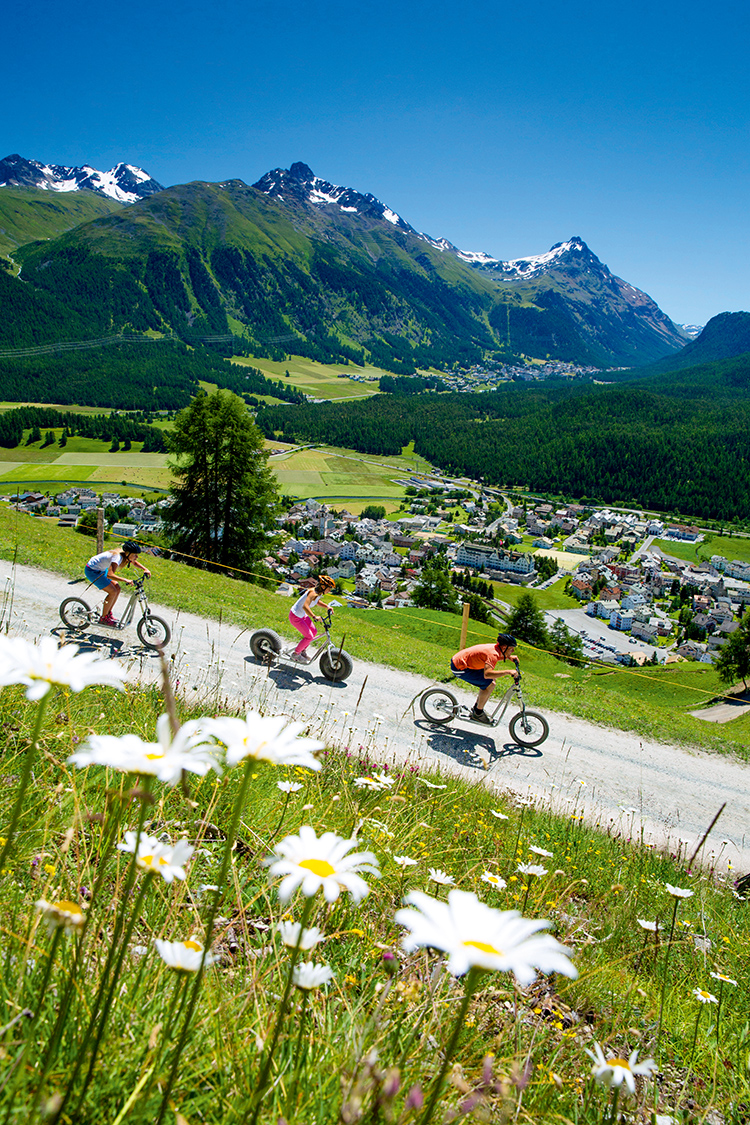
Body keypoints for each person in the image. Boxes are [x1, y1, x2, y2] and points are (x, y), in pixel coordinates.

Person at [449, 633, 519, 724]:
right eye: (511, 649)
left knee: (492, 680)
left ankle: (477, 708)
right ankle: (478, 713)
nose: (513, 651)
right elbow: (487, 674)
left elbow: (494, 657)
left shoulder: (496, 648)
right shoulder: (493, 654)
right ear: (504, 647)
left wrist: (509, 657)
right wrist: (508, 672)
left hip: (463, 663)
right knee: (490, 684)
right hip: (460, 668)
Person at [84, 541, 151, 626]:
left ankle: (107, 614)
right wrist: (125, 580)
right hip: (92, 571)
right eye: (135, 555)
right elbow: (110, 575)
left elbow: (134, 562)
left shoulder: (125, 556)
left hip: (100, 570)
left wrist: (145, 569)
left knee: (117, 588)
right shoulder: (117, 557)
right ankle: (103, 618)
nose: (137, 557)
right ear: (128, 553)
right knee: (112, 591)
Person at [288, 575, 335, 662]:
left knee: (314, 632)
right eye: (329, 588)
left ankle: (302, 651)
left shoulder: (318, 593)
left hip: (302, 615)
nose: (330, 591)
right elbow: (305, 606)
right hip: (295, 616)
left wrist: (327, 606)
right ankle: (295, 654)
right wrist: (314, 616)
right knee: (309, 637)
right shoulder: (313, 592)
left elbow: (316, 601)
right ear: (323, 587)